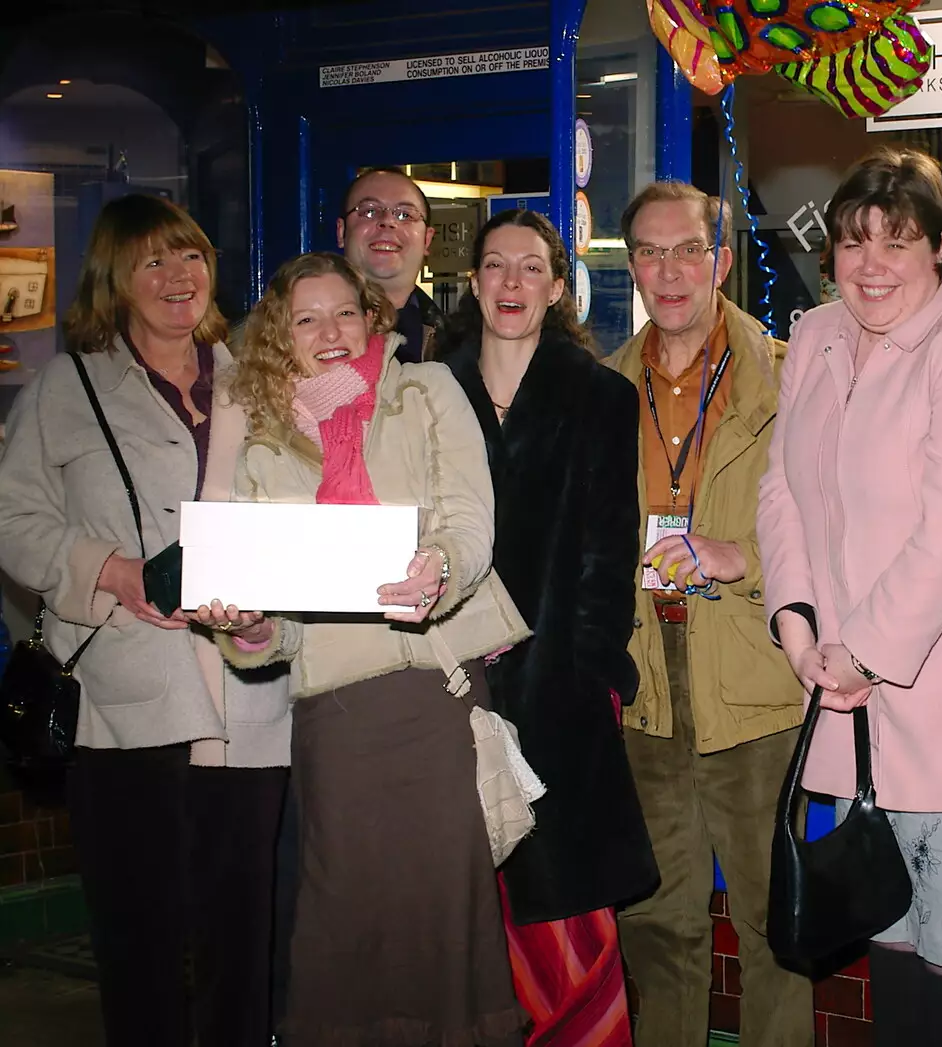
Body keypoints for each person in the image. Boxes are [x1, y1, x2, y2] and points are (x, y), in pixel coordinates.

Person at [200, 251, 529, 1046]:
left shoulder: (427, 390)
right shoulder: (262, 434)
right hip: (336, 717)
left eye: (345, 311)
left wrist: (440, 566)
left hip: (433, 699)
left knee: (443, 920)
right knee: (341, 919)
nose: (331, 331)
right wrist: (246, 625)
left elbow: (469, 519)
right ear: (282, 334)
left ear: (371, 316)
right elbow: (276, 616)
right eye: (306, 318)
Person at [757, 146, 942, 1045]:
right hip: (846, 697)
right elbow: (782, 492)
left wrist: (862, 651)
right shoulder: (813, 336)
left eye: (897, 242)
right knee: (890, 952)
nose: (870, 264)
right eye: (852, 242)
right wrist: (799, 629)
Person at [0, 193, 290, 1046]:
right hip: (127, 705)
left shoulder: (261, 377)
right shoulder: (70, 385)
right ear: (115, 281)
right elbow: (13, 518)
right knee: (142, 947)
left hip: (248, 700)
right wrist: (110, 571)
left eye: (190, 254)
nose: (178, 276)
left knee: (244, 945)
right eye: (153, 260)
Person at [437, 208, 659, 1045]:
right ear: (474, 282)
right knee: (472, 903)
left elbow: (611, 548)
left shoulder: (598, 393)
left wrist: (593, 667)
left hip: (559, 686)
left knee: (566, 908)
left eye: (531, 268)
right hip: (452, 683)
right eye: (496, 267)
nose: (511, 284)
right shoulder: (433, 387)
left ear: (559, 285)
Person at [607, 181, 813, 1047]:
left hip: (755, 677)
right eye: (650, 253)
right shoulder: (605, 385)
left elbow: (837, 533)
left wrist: (744, 560)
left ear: (721, 258)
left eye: (687, 248)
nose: (670, 270)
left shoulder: (792, 374)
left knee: (771, 923)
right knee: (660, 922)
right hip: (647, 679)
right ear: (633, 268)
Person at [337, 166, 441, 363]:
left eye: (404, 215)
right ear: (341, 232)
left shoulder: (463, 345)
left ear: (427, 240)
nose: (387, 222)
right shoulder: (298, 337)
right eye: (369, 212)